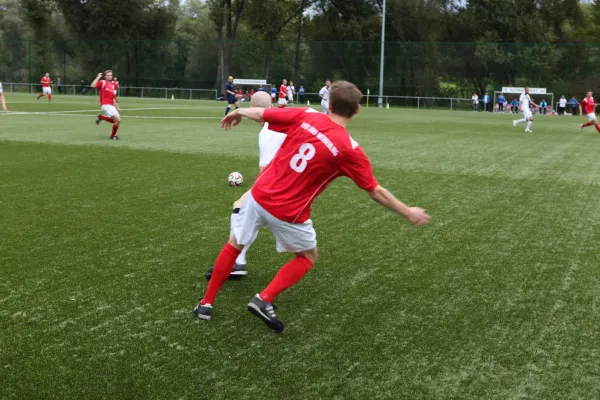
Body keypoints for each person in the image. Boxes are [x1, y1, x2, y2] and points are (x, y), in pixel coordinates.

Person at [193, 80, 431, 332]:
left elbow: (262, 113)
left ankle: (206, 304)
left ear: (328, 103)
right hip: (288, 211)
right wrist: (408, 212)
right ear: (357, 111)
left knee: (234, 245)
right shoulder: (349, 150)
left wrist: (239, 111)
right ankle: (264, 299)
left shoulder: (307, 115)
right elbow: (376, 192)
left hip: (259, 194)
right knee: (307, 257)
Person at [205, 91, 287, 281]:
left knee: (242, 208)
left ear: (252, 108)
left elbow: (265, 172)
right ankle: (238, 260)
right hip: (293, 184)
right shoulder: (280, 120)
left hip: (278, 187)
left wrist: (258, 196)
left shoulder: (268, 133)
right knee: (245, 211)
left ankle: (237, 261)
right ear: (272, 107)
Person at [91, 70, 122, 140]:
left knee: (115, 121)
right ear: (105, 76)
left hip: (111, 105)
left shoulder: (112, 86)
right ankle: (112, 136)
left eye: (111, 75)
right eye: (108, 75)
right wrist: (98, 77)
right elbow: (92, 85)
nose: (110, 76)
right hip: (105, 105)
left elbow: (113, 99)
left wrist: (117, 107)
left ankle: (102, 117)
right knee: (118, 120)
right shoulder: (103, 82)